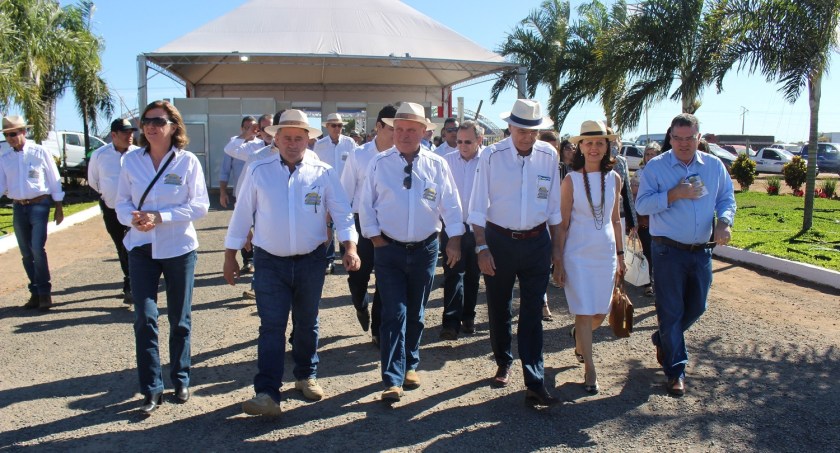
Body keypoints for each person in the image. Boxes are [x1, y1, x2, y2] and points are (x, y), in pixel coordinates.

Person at [223, 109, 360, 417]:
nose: (293, 143)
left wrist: (349, 247)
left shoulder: (323, 172)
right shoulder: (259, 170)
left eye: (300, 138)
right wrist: (230, 255)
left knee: (307, 322)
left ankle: (305, 375)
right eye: (287, 137)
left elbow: (342, 212)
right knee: (271, 326)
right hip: (269, 261)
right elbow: (242, 214)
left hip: (311, 260)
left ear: (309, 140)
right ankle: (267, 392)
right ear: (276, 139)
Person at [358, 102, 464, 403]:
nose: (404, 135)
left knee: (416, 312)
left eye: (411, 130)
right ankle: (392, 378)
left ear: (423, 132)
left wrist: (454, 239)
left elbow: (451, 204)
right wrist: (375, 238)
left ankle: (410, 364)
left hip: (425, 248)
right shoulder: (379, 163)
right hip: (388, 249)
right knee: (394, 312)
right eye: (399, 129)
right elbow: (366, 204)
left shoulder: (437, 164)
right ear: (393, 131)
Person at [115, 100, 210, 414]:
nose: (151, 126)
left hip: (178, 249)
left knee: (179, 319)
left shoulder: (187, 162)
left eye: (158, 120)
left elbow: (199, 206)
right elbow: (121, 204)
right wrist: (135, 219)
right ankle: (151, 388)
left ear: (174, 126)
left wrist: (161, 216)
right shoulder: (131, 162)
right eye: (146, 121)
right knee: (144, 317)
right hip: (141, 248)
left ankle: (180, 378)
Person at [468, 99, 562, 406]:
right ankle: (503, 359)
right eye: (522, 129)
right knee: (499, 306)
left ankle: (535, 380)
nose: (527, 136)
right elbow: (478, 206)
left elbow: (554, 209)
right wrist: (482, 247)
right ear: (510, 127)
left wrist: (556, 251)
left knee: (532, 311)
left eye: (533, 130)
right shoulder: (492, 156)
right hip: (499, 241)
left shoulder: (549, 156)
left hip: (537, 242)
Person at [636, 113, 736, 397]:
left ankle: (663, 338)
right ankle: (676, 370)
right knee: (671, 311)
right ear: (670, 137)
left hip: (701, 252)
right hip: (667, 250)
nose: (683, 144)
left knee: (698, 307)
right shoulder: (656, 167)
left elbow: (726, 197)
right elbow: (642, 205)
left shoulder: (714, 166)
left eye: (689, 138)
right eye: (677, 138)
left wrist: (724, 222)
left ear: (698, 138)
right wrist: (673, 194)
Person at [554, 120, 626, 395]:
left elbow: (615, 220)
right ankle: (590, 369)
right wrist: (558, 260)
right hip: (578, 254)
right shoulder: (571, 179)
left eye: (599, 143)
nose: (594, 148)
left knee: (600, 311)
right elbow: (561, 223)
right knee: (583, 311)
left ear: (607, 146)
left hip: (605, 253)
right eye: (588, 143)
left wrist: (621, 255)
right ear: (580, 147)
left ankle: (579, 339)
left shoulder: (615, 178)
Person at [340, 105, 397, 345]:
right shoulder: (359, 154)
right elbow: (344, 194)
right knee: (358, 277)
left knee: (386, 278)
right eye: (392, 127)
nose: (397, 133)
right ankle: (360, 304)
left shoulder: (401, 156)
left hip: (389, 226)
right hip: (361, 224)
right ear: (379, 126)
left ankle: (378, 330)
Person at [0, 115, 65, 311]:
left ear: (23, 132)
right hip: (18, 206)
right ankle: (35, 292)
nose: (10, 138)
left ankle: (45, 292)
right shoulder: (5, 158)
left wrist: (59, 206)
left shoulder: (40, 152)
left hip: (39, 204)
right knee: (26, 253)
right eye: (7, 134)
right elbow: (2, 184)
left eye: (13, 133)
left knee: (37, 248)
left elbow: (54, 178)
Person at [439, 120, 484, 340]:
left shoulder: (488, 161)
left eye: (468, 142)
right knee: (452, 273)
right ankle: (450, 322)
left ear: (479, 140)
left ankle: (468, 316)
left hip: (479, 229)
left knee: (474, 275)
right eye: (459, 141)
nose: (462, 146)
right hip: (452, 227)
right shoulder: (446, 162)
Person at [88, 118, 140, 305]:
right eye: (125, 132)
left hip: (136, 211)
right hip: (111, 209)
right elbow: (93, 181)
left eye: (131, 132)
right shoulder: (100, 155)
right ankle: (130, 280)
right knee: (121, 245)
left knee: (134, 246)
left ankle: (132, 284)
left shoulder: (139, 154)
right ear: (114, 135)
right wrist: (107, 195)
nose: (130, 136)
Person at [314, 113, 357, 273]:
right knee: (327, 226)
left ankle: (347, 255)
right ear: (327, 127)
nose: (337, 128)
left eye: (339, 125)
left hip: (347, 191)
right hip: (327, 191)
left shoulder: (350, 143)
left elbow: (355, 166)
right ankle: (329, 259)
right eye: (334, 125)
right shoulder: (320, 145)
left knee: (345, 223)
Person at [632, 142, 662, 297]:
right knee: (648, 252)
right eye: (648, 154)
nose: (650, 157)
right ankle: (648, 283)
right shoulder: (639, 173)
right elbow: (634, 194)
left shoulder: (664, 172)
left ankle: (661, 283)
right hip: (644, 221)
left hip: (662, 220)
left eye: (653, 153)